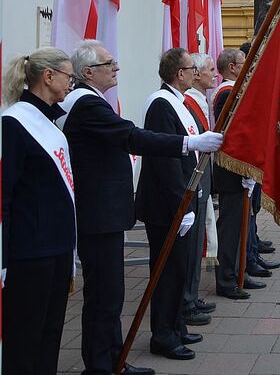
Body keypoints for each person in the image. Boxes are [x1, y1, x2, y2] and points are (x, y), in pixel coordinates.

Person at [61, 41, 215, 375]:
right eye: (109, 63)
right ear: (88, 72)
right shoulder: (88, 104)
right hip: (101, 212)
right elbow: (133, 137)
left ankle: (113, 358)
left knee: (112, 293)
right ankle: (104, 363)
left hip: (107, 212)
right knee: (106, 295)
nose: (116, 68)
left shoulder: (93, 102)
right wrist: (189, 144)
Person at [135, 48, 214, 361]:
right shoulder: (161, 104)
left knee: (179, 269)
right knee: (166, 272)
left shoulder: (179, 102)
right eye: (190, 68)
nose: (195, 73)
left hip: (183, 198)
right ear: (178, 74)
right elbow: (164, 159)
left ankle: (176, 325)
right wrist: (180, 204)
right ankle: (163, 335)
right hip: (167, 204)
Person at [2, 47, 77, 375]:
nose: (70, 83)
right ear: (48, 77)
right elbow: (3, 194)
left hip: (56, 247)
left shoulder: (50, 122)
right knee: (25, 340)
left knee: (50, 334)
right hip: (29, 252)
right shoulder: (14, 124)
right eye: (68, 76)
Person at [212, 49, 264, 300]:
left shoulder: (233, 91)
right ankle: (226, 279)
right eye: (244, 63)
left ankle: (239, 273)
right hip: (232, 171)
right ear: (232, 67)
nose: (248, 67)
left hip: (240, 170)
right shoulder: (227, 93)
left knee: (240, 226)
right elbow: (233, 135)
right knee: (231, 229)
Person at [181, 53, 217, 327]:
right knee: (191, 243)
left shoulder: (198, 100)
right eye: (209, 70)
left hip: (202, 173)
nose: (213, 75)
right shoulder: (189, 102)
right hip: (193, 175)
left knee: (197, 242)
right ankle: (186, 298)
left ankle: (191, 296)